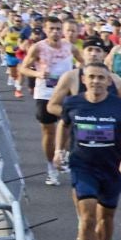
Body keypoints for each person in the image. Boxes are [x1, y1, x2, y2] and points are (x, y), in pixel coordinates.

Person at [51, 57, 121, 240]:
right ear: (83, 80)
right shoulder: (73, 103)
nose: (96, 82)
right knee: (88, 215)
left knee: (106, 219)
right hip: (83, 166)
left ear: (109, 82)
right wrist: (60, 151)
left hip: (111, 168)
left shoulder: (120, 106)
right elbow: (63, 125)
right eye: (91, 77)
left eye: (101, 78)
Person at [22, 17, 77, 185]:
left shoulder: (71, 47)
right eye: (52, 28)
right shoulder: (38, 47)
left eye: (58, 28)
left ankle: (62, 157)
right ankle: (51, 167)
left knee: (67, 128)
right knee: (49, 131)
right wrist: (37, 74)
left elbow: (84, 64)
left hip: (65, 93)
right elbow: (23, 68)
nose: (56, 32)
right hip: (44, 92)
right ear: (45, 30)